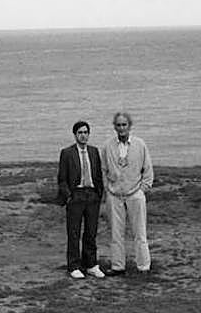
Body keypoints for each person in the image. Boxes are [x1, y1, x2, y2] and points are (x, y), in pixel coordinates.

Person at [100, 110, 154, 273]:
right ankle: (118, 266)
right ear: (114, 127)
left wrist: (142, 190)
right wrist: (108, 190)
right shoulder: (108, 146)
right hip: (114, 196)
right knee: (116, 233)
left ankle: (143, 266)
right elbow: (103, 170)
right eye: (118, 125)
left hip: (135, 194)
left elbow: (148, 170)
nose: (121, 128)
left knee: (140, 232)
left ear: (129, 126)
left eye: (124, 125)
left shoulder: (140, 144)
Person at [56, 120, 106, 279]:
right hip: (76, 195)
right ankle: (74, 265)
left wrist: (99, 193)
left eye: (86, 132)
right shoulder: (67, 153)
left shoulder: (94, 151)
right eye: (80, 133)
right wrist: (69, 196)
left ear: (89, 134)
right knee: (74, 232)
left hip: (92, 195)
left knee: (91, 232)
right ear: (75, 134)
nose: (83, 135)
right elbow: (62, 179)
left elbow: (98, 175)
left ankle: (91, 264)